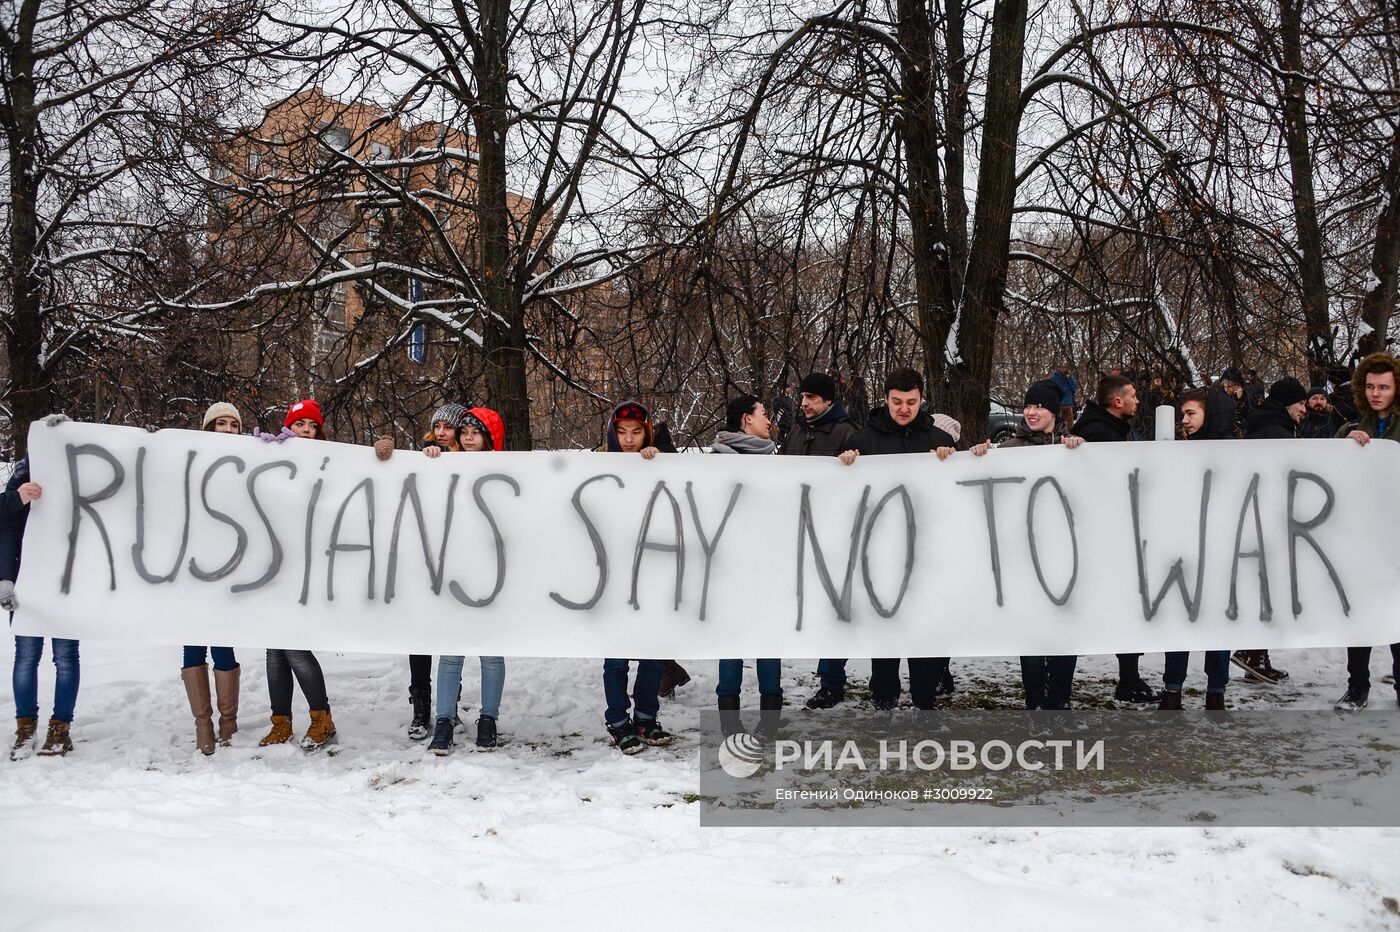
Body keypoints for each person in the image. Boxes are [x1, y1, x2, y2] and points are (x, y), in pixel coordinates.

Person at [837, 367, 958, 710]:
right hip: (881, 553)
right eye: (897, 401)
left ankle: (924, 702)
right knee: (885, 634)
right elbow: (845, 496)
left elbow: (955, 496)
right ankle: (884, 702)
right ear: (886, 399)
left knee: (923, 632)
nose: (904, 408)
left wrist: (951, 461)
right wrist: (846, 465)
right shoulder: (863, 441)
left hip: (926, 555)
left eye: (911, 402)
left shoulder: (939, 440)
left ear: (921, 400)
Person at [971, 380, 1084, 711]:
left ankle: (1059, 701)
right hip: (1023, 556)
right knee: (1031, 635)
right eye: (1028, 406)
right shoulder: (1010, 449)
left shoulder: (1071, 448)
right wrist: (980, 456)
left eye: (1040, 407)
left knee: (1065, 634)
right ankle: (1035, 701)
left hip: (1064, 555)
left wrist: (1081, 449)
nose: (1032, 413)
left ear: (1053, 412)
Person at [1071, 374, 1158, 704]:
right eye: (1133, 395)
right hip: (1103, 537)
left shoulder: (1108, 428)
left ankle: (1129, 676)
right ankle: (1128, 677)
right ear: (1117, 402)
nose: (1137, 401)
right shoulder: (1100, 432)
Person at [427, 406, 509, 753]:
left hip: (494, 574)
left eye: (477, 432)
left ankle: (488, 719)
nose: (469, 437)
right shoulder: (446, 465)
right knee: (451, 653)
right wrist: (430, 456)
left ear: (489, 439)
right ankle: (444, 720)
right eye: (464, 432)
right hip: (454, 573)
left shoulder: (508, 470)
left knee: (491, 653)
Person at [257, 400, 337, 750]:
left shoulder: (331, 460)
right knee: (275, 650)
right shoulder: (271, 455)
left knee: (296, 648)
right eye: (300, 424)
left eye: (312, 426)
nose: (306, 431)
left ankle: (322, 718)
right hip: (270, 567)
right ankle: (281, 722)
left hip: (306, 569)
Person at [600, 400, 675, 753]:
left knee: (653, 649)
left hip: (653, 571)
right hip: (613, 575)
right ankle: (618, 720)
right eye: (622, 432)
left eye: (636, 432)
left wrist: (661, 459)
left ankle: (646, 716)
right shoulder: (597, 465)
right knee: (616, 656)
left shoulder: (659, 461)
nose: (629, 440)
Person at [1223, 377, 1309, 687]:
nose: (1304, 409)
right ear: (1288, 404)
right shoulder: (1277, 430)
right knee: (1269, 586)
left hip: (1260, 516)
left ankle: (1257, 658)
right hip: (1270, 520)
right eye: (1300, 404)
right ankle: (1252, 653)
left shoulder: (1266, 423)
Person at [783, 373, 860, 710]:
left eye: (812, 398)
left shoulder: (846, 433)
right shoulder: (799, 430)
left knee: (834, 609)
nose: (805, 403)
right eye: (803, 397)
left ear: (829, 401)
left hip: (835, 534)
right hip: (801, 529)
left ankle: (832, 682)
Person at [712, 396, 783, 737]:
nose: (769, 420)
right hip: (729, 569)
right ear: (746, 419)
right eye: (764, 414)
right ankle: (729, 722)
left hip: (767, 567)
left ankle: (769, 721)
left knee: (769, 642)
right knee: (731, 644)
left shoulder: (775, 460)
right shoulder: (718, 461)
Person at [1334, 353, 1400, 710]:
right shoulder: (1353, 424)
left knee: (1396, 614)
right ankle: (1357, 686)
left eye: (1384, 387)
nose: (1377, 393)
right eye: (1372, 386)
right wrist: (1346, 439)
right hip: (1362, 537)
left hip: (1396, 536)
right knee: (1358, 616)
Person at [179, 403, 245, 755]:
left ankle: (228, 721)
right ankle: (202, 723)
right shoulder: (190, 458)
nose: (227, 430)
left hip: (229, 567)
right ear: (208, 428)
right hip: (191, 568)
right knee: (192, 643)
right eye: (220, 424)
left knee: (222, 642)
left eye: (233, 424)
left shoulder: (248, 459)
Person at [3, 455, 77, 759]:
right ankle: (25, 727)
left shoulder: (80, 480)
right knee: (26, 657)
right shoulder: (22, 480)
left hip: (70, 585)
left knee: (66, 658)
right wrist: (5, 578)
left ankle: (61, 729)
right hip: (27, 583)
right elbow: (5, 532)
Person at [1051, 364, 1079, 430]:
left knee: (1070, 425)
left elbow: (1074, 387)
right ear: (1058, 368)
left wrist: (1069, 377)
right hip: (1059, 404)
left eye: (1065, 368)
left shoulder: (1069, 377)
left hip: (1068, 404)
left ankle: (1070, 435)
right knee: (1058, 424)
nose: (1063, 369)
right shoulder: (1055, 377)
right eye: (1062, 367)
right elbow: (1052, 388)